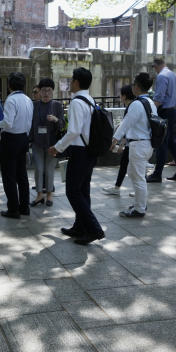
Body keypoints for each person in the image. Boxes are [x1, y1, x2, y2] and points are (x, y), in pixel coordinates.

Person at [49, 67, 105, 245]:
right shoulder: (89, 100)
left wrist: (57, 147)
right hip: (90, 151)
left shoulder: (76, 102)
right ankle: (80, 226)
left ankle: (94, 229)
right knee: (83, 190)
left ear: (77, 82)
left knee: (72, 191)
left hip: (80, 152)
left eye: (72, 80)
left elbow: (73, 131)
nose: (70, 83)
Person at [111, 74, 156, 218]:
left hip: (138, 145)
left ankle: (139, 208)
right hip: (146, 144)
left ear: (136, 86)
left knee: (138, 178)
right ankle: (139, 202)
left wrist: (114, 141)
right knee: (133, 173)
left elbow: (126, 124)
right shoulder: (150, 102)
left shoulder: (137, 104)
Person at [0, 72, 34, 218]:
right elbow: (29, 123)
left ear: (9, 85)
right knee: (22, 175)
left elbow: (8, 123)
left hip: (10, 139)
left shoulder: (11, 100)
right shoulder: (28, 99)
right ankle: (24, 207)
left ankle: (13, 209)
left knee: (9, 176)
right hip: (23, 138)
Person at [147, 57, 176, 182]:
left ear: (156, 66)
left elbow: (159, 98)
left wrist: (150, 111)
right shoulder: (173, 75)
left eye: (154, 67)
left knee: (162, 143)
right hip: (173, 111)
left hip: (165, 112)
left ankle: (157, 174)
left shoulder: (161, 76)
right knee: (171, 142)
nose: (154, 70)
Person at [30, 78, 65, 207]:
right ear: (39, 91)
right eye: (43, 90)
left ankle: (49, 194)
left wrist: (56, 119)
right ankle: (39, 195)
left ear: (52, 92)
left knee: (49, 170)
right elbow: (31, 125)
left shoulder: (57, 105)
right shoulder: (34, 105)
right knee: (39, 169)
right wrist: (29, 140)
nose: (46, 93)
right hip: (37, 143)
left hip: (52, 144)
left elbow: (63, 125)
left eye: (49, 90)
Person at [102, 85, 137, 196]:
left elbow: (126, 127)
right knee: (129, 165)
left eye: (121, 94)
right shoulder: (134, 106)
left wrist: (119, 143)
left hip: (134, 142)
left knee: (134, 167)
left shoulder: (131, 107)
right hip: (133, 142)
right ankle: (119, 188)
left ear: (124, 96)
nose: (119, 97)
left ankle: (134, 190)